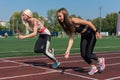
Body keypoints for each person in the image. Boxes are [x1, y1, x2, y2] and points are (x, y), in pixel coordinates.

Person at [57, 8, 105, 75]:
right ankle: (94, 67)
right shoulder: (66, 26)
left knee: (88, 54)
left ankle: (100, 60)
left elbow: (89, 23)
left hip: (90, 33)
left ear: (64, 15)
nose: (59, 18)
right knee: (83, 54)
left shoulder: (73, 20)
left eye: (60, 16)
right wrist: (67, 51)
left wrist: (96, 32)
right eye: (58, 16)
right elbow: (71, 38)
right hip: (84, 35)